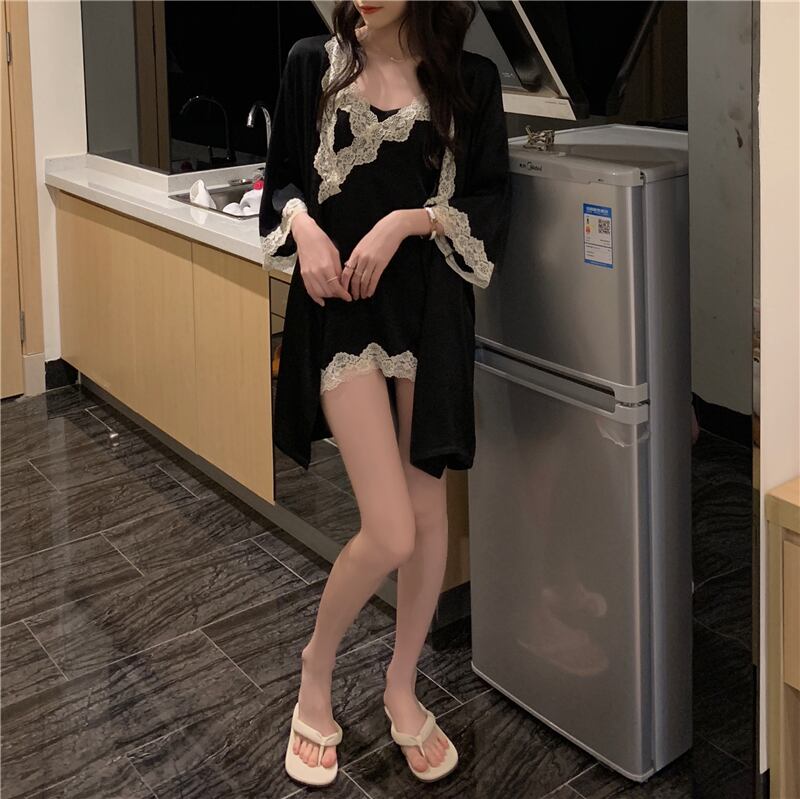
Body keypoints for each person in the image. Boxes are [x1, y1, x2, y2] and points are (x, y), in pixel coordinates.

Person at [258, 0, 511, 786]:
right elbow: (284, 176)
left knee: (428, 517)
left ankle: (401, 686)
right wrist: (303, 227)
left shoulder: (469, 82)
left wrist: (407, 221)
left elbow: (490, 200)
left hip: (428, 316)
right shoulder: (315, 64)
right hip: (340, 312)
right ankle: (315, 668)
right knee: (392, 528)